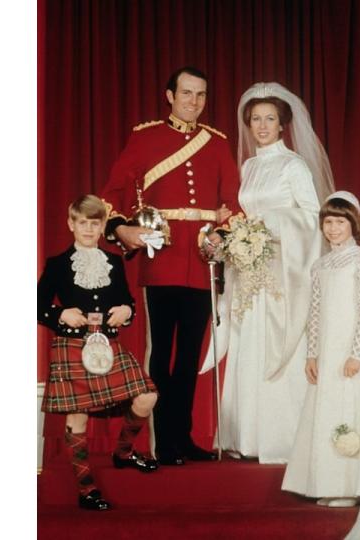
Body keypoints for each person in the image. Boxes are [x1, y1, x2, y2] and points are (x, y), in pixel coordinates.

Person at [100, 66, 241, 465]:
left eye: (200, 95)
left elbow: (231, 203)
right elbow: (112, 194)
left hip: (200, 260)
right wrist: (121, 229)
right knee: (160, 353)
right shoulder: (145, 137)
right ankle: (162, 442)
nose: (193, 102)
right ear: (169, 95)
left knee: (190, 355)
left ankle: (183, 438)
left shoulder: (217, 144)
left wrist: (223, 235)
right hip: (161, 259)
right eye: (186, 93)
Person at [214, 82, 334, 463]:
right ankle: (246, 436)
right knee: (249, 341)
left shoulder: (293, 165)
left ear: (283, 125)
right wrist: (238, 235)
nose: (262, 126)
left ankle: (283, 437)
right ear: (247, 125)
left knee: (278, 342)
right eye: (255, 120)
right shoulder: (249, 166)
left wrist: (267, 228)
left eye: (269, 119)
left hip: (282, 270)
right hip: (250, 268)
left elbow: (312, 216)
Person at [281, 192, 360, 540]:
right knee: (327, 411)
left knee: (351, 411)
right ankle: (329, 482)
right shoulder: (321, 266)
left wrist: (357, 353)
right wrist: (312, 354)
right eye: (328, 222)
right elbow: (315, 315)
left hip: (350, 351)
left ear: (353, 224)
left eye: (340, 222)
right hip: (327, 352)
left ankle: (350, 484)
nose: (333, 229)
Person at [38, 194, 161, 511]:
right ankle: (86, 488)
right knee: (77, 414)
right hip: (72, 343)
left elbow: (128, 303)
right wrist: (59, 315)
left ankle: (123, 452)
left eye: (95, 223)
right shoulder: (57, 265)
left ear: (103, 225)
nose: (89, 229)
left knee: (146, 396)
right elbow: (37, 307)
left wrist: (126, 311)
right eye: (83, 223)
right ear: (71, 224)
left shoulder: (114, 262)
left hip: (107, 343)